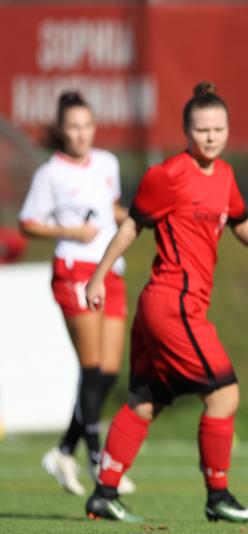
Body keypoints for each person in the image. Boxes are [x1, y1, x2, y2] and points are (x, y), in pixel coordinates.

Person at [81, 82, 248, 522]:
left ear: (228, 130)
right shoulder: (168, 175)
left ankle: (104, 491)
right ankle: (218, 495)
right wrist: (98, 276)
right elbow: (131, 227)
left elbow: (241, 221)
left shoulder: (225, 176)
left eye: (218, 128)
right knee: (225, 394)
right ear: (186, 131)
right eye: (202, 129)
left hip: (169, 308)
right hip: (174, 304)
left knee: (144, 401)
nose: (211, 136)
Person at [18, 91, 135, 497]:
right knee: (90, 367)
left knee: (106, 372)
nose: (81, 133)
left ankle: (64, 450)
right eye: (73, 126)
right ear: (61, 130)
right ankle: (96, 458)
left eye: (86, 125)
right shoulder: (50, 172)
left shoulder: (107, 163)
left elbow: (112, 209)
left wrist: (142, 218)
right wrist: (69, 230)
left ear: (94, 127)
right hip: (73, 269)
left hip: (110, 269)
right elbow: (28, 223)